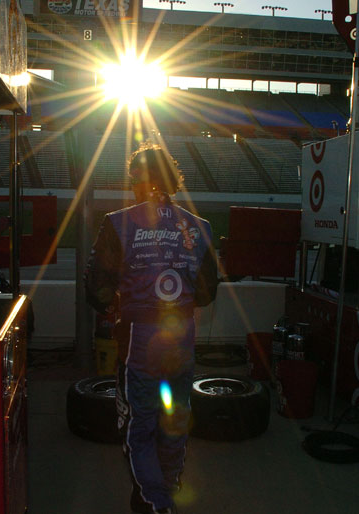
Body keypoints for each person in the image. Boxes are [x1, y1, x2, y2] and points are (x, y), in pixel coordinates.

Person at [84, 143, 219, 514]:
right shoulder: (201, 227)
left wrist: (114, 300)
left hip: (138, 340)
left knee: (139, 424)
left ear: (135, 179)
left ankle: (155, 503)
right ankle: (168, 486)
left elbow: (95, 288)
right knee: (174, 417)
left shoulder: (116, 222)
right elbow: (207, 293)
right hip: (181, 336)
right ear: (173, 180)